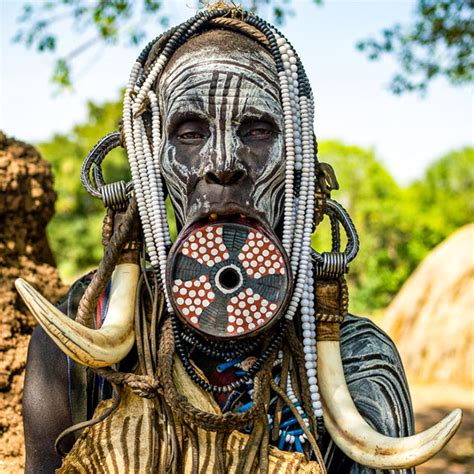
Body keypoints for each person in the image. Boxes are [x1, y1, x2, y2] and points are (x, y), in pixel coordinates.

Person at [19, 5, 461, 473]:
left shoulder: (358, 360)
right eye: (189, 132)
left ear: (299, 163)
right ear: (152, 164)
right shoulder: (77, 336)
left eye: (257, 130)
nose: (224, 160)